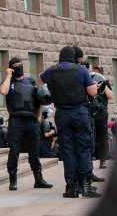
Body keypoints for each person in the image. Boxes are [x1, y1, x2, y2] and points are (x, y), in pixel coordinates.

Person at [40, 46, 98, 198]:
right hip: (79, 112)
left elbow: (42, 77)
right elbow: (92, 92)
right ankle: (85, 186)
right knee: (83, 148)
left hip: (62, 114)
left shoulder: (51, 71)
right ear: (73, 57)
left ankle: (71, 187)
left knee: (68, 150)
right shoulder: (81, 70)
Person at [0, 56, 52, 191]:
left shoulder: (31, 81)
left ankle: (38, 179)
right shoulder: (7, 82)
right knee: (14, 152)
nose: (18, 67)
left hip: (32, 121)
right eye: (14, 66)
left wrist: (38, 118)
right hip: (16, 121)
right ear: (10, 68)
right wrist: (8, 75)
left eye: (19, 65)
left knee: (34, 152)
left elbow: (39, 101)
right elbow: (3, 91)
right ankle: (13, 180)